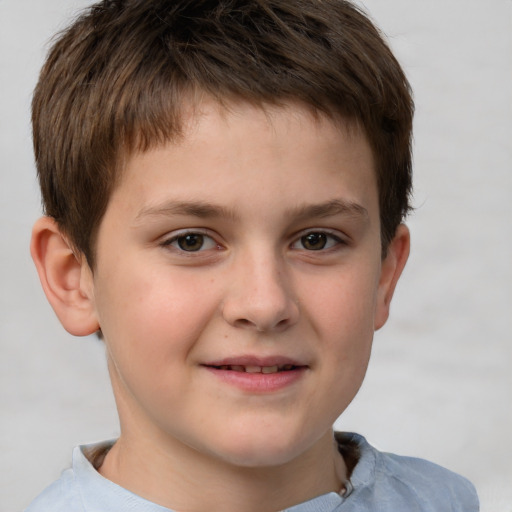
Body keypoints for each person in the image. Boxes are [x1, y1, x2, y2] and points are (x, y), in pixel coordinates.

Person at [26, 0, 479, 510]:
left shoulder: (446, 501)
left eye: (316, 240)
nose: (264, 304)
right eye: (190, 241)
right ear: (73, 278)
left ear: (383, 274)